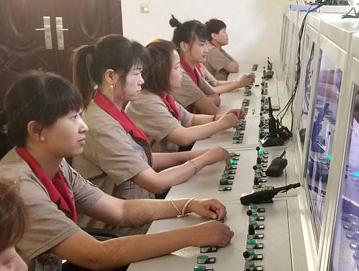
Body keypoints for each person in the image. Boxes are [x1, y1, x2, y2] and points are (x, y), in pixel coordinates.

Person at [0, 71, 234, 271]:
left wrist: (188, 204)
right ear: (36, 130)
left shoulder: (54, 164)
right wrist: (192, 236)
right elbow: (97, 256)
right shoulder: (20, 187)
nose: (84, 126)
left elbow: (119, 209)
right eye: (72, 118)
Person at [72, 35, 233, 211]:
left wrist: (196, 155)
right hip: (124, 222)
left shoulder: (111, 111)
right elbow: (156, 183)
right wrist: (205, 159)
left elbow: (141, 159)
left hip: (141, 206)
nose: (141, 80)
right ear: (111, 76)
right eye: (136, 73)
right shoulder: (100, 124)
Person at [126, 38, 246, 153]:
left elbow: (191, 119)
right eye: (177, 67)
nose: (180, 71)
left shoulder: (163, 95)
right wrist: (220, 124)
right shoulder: (146, 101)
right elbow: (182, 137)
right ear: (161, 71)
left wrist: (222, 117)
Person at [168, 15, 222, 114]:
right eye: (201, 45)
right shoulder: (180, 73)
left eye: (206, 44)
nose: (206, 50)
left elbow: (216, 97)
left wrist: (199, 104)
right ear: (184, 46)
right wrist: (203, 103)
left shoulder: (193, 69)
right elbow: (212, 110)